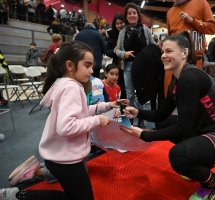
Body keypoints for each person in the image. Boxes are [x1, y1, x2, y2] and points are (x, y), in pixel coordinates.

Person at [121, 31, 215, 200]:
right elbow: (161, 114)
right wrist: (137, 111)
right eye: (163, 51)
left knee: (178, 156)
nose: (164, 56)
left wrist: (145, 135)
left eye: (169, 51)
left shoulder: (189, 77)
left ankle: (212, 183)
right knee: (163, 123)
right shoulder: (177, 80)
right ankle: (195, 162)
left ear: (184, 53)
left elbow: (183, 128)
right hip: (207, 131)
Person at [0, 41, 128, 200]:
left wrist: (106, 106)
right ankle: (19, 195)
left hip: (61, 156)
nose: (91, 70)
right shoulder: (71, 87)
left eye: (92, 66)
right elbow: (66, 127)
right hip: (66, 160)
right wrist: (96, 120)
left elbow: (80, 112)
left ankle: (19, 195)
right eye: (87, 65)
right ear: (70, 65)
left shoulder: (67, 84)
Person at [164, 0, 215, 96]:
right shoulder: (170, 12)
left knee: (192, 98)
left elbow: (212, 28)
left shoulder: (201, 3)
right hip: (174, 62)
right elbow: (169, 38)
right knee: (170, 96)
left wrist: (193, 21)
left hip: (194, 61)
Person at [116, 3, 155, 128]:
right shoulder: (122, 32)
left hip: (143, 66)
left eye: (134, 13)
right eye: (129, 13)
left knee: (141, 93)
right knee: (130, 94)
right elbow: (117, 50)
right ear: (126, 17)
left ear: (138, 15)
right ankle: (131, 119)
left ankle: (141, 118)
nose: (132, 15)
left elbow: (153, 46)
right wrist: (124, 54)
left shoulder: (146, 30)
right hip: (128, 66)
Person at [105, 13, 126, 99]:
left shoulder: (129, 34)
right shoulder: (112, 36)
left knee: (128, 89)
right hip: (118, 67)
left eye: (121, 23)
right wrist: (114, 51)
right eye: (117, 23)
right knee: (120, 88)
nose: (119, 25)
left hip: (128, 66)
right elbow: (107, 51)